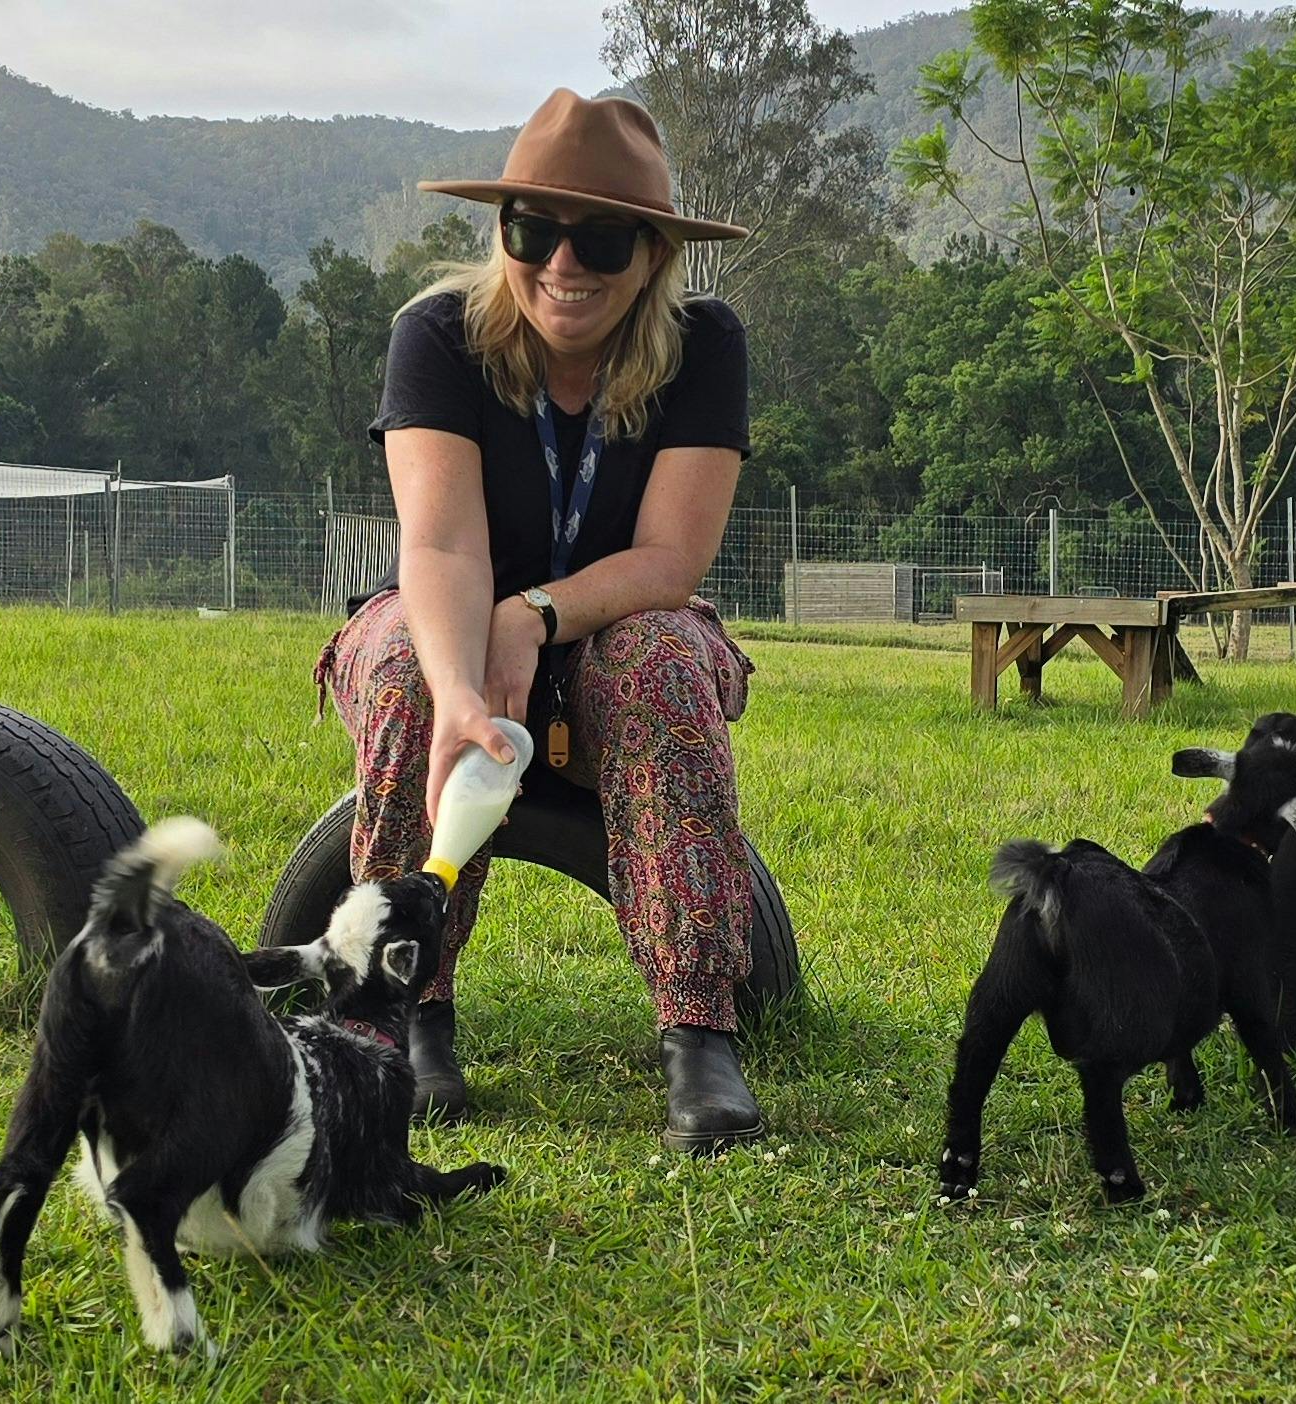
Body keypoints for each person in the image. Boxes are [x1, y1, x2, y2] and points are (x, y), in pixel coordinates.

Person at [317, 88, 765, 1153]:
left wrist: (539, 614)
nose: (565, 264)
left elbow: (671, 559)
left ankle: (699, 1033)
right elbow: (439, 550)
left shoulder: (704, 346)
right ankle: (404, 1010)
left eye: (602, 238)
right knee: (411, 668)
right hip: (455, 616)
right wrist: (466, 687)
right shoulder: (437, 335)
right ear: (502, 233)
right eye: (534, 230)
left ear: (653, 254)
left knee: (660, 658)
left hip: (620, 624)